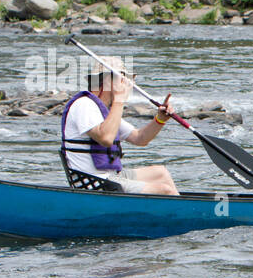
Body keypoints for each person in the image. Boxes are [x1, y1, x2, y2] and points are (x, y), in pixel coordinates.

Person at [59, 56, 179, 195]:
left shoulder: (104, 111)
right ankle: (180, 214)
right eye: (121, 80)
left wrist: (160, 119)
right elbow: (106, 138)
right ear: (107, 81)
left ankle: (185, 212)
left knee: (161, 173)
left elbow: (140, 138)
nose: (127, 85)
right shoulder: (84, 105)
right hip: (95, 182)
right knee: (164, 191)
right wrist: (119, 100)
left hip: (111, 177)